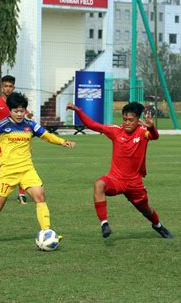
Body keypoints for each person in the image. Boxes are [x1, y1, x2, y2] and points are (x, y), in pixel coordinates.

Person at [0, 93, 75, 240]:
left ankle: (46, 232)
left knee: (40, 196)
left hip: (27, 170)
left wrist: (62, 141)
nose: (19, 114)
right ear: (9, 110)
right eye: (15, 111)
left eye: (22, 110)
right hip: (7, 172)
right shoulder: (2, 126)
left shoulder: (30, 124)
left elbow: (46, 135)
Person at [66, 102, 172, 239]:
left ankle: (158, 226)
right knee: (99, 185)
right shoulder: (115, 131)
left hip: (135, 184)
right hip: (116, 180)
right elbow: (92, 125)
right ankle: (104, 224)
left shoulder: (143, 132)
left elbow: (155, 137)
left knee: (146, 210)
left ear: (138, 119)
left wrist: (152, 128)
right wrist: (78, 110)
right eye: (125, 119)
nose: (127, 123)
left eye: (131, 120)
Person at [0, 75, 28, 204]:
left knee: (22, 166)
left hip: (19, 141)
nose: (8, 89)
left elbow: (26, 122)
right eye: (5, 86)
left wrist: (29, 143)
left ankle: (21, 194)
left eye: (10, 86)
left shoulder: (17, 102)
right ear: (2, 87)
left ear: (13, 87)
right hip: (1, 142)